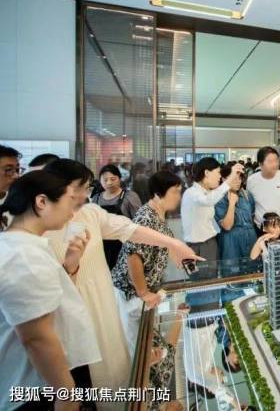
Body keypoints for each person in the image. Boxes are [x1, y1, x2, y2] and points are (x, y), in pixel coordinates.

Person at [42, 159, 202, 404]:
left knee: (115, 369)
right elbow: (133, 254)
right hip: (79, 308)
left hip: (104, 303)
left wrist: (174, 245)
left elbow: (128, 229)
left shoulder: (90, 213)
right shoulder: (42, 229)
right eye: (81, 188)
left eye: (87, 188)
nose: (86, 194)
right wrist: (143, 291)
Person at [0, 171, 98, 411]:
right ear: (42, 202)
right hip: (35, 389)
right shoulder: (25, 256)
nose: (72, 212)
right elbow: (37, 338)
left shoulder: (22, 246)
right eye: (68, 200)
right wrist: (66, 394)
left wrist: (71, 264)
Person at [112, 171, 184, 357]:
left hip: (145, 294)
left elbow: (162, 242)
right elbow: (133, 256)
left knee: (148, 347)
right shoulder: (146, 217)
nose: (179, 196)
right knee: (139, 352)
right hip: (132, 294)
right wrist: (144, 292)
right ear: (158, 194)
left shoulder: (158, 214)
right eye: (175, 192)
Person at [181, 157, 244, 263]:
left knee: (211, 273)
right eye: (218, 172)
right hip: (199, 246)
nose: (220, 176)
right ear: (206, 173)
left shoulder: (207, 192)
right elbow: (209, 200)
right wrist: (230, 178)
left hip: (209, 243)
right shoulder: (192, 193)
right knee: (204, 273)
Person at [92, 164, 142, 270]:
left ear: (119, 178)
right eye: (105, 180)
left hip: (124, 247)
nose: (109, 183)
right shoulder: (96, 198)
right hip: (102, 248)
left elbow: (139, 222)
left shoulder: (129, 196)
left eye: (113, 179)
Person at [215, 162, 259, 276]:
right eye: (234, 177)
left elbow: (251, 217)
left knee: (252, 272)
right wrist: (232, 204)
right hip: (231, 241)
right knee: (232, 274)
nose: (238, 181)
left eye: (240, 177)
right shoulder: (219, 198)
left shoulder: (247, 195)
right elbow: (227, 226)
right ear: (224, 179)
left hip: (250, 237)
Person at [247, 146, 280, 230]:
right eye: (270, 161)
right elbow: (251, 204)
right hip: (261, 227)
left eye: (276, 160)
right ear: (260, 164)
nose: (275, 164)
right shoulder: (252, 180)